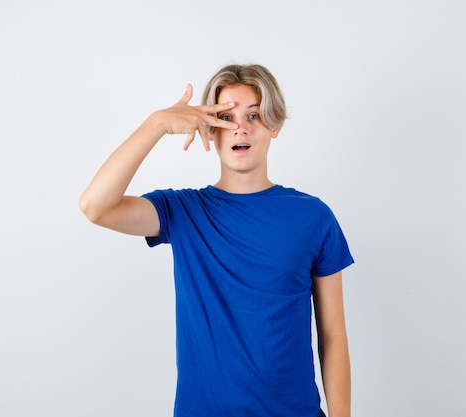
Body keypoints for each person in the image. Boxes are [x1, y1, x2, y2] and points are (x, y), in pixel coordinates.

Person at [79, 63, 354, 417]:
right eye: (226, 116)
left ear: (275, 126)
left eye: (254, 115)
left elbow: (333, 337)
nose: (240, 127)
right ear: (209, 127)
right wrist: (156, 124)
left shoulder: (313, 217)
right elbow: (95, 206)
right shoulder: (182, 210)